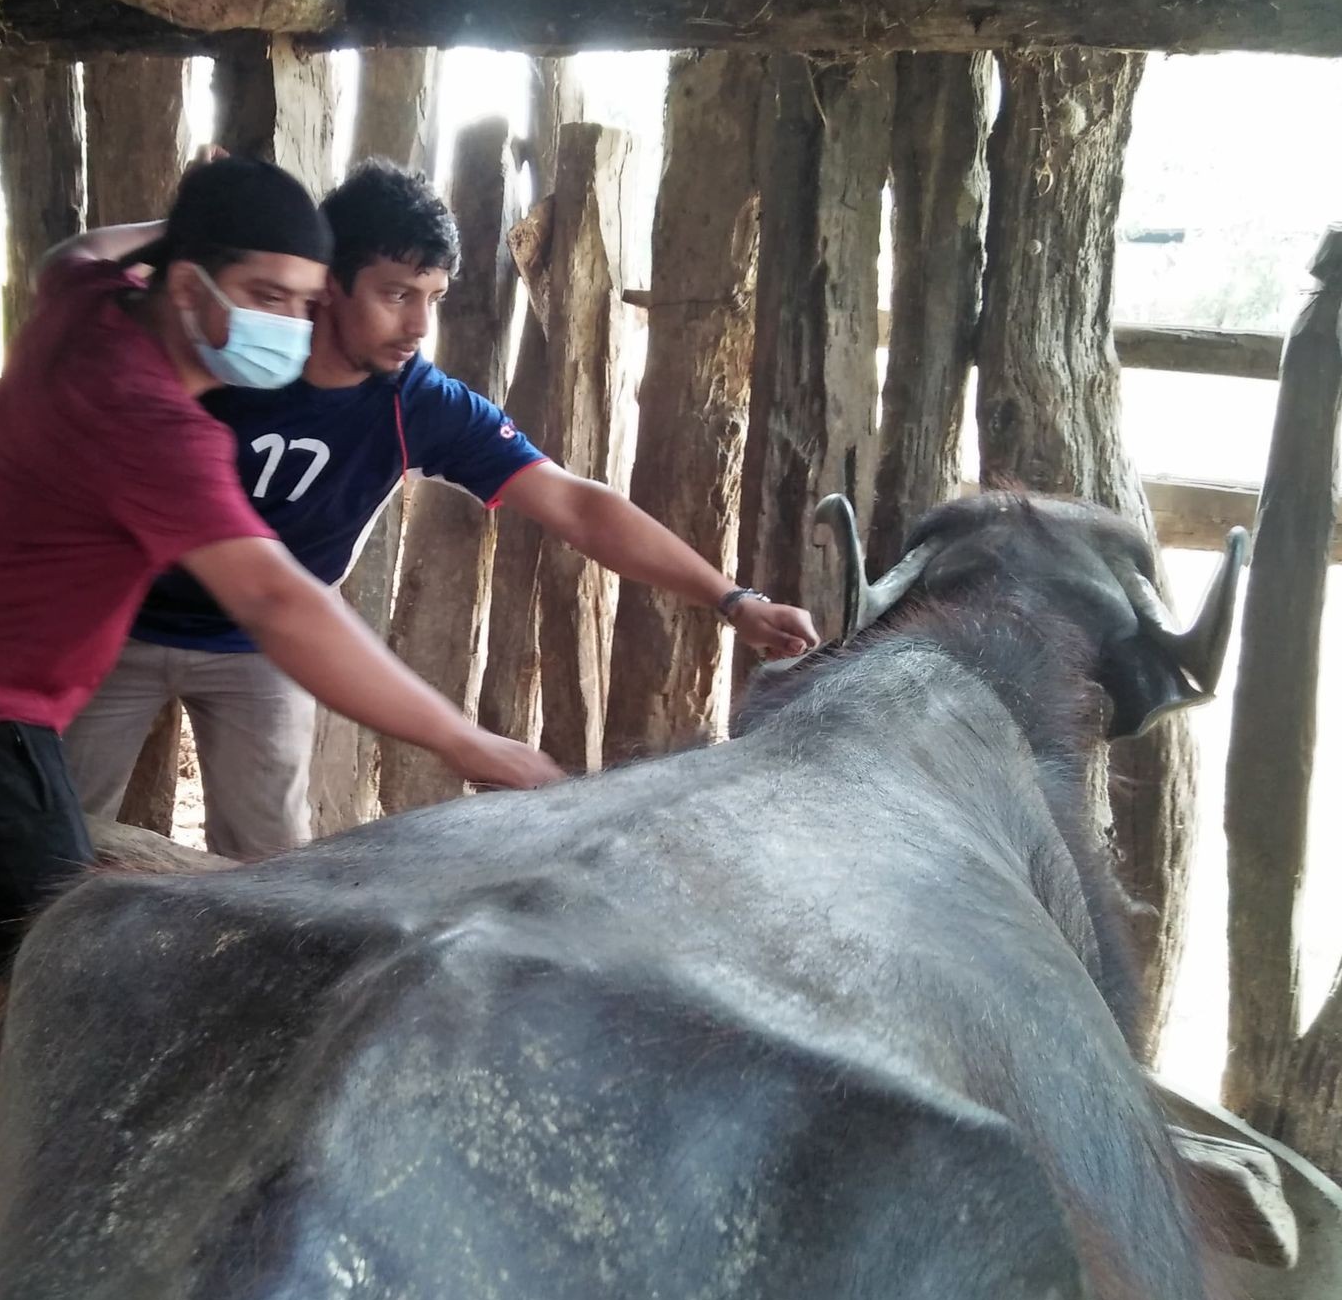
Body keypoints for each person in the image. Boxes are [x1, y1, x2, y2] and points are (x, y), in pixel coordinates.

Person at [0, 157, 560, 1208]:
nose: (290, 319)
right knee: (82, 981)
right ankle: (106, 1220)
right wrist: (470, 745)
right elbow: (279, 606)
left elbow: (76, 250)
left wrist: (191, 226)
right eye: (267, 296)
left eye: (302, 296)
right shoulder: (155, 423)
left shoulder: (85, 308)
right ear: (188, 288)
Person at [63, 160, 821, 862]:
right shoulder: (224, 349)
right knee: (55, 842)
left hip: (265, 651)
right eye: (397, 294)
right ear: (327, 282)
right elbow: (79, 264)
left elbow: (575, 506)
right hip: (115, 623)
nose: (420, 326)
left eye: (434, 298)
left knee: (266, 870)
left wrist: (732, 598)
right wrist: (210, 229)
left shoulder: (417, 403)